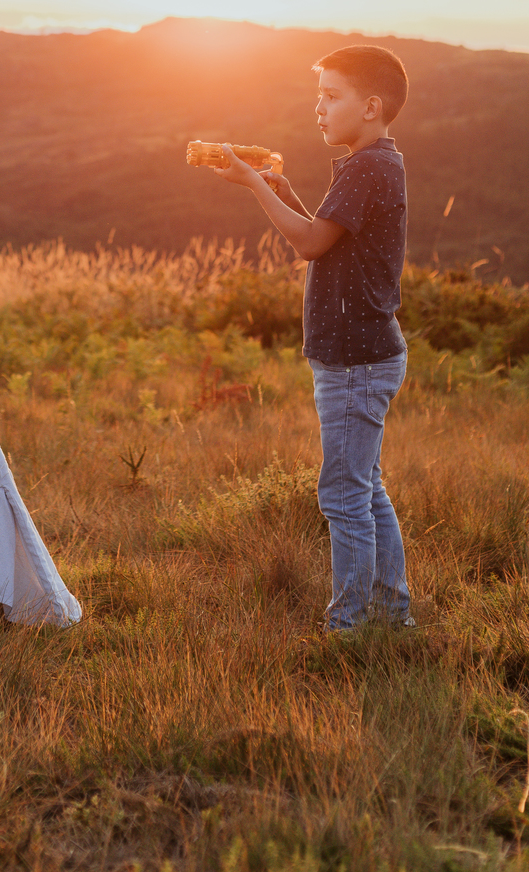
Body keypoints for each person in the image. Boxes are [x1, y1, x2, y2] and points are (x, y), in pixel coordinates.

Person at [205, 44, 411, 632]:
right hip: (365, 354)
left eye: (331, 96)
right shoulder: (366, 163)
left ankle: (349, 628)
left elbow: (310, 245)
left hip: (354, 360)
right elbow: (325, 232)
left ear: (371, 106)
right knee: (366, 487)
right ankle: (392, 615)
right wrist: (283, 188)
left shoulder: (370, 165)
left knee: (344, 495)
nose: (317, 108)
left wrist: (253, 186)